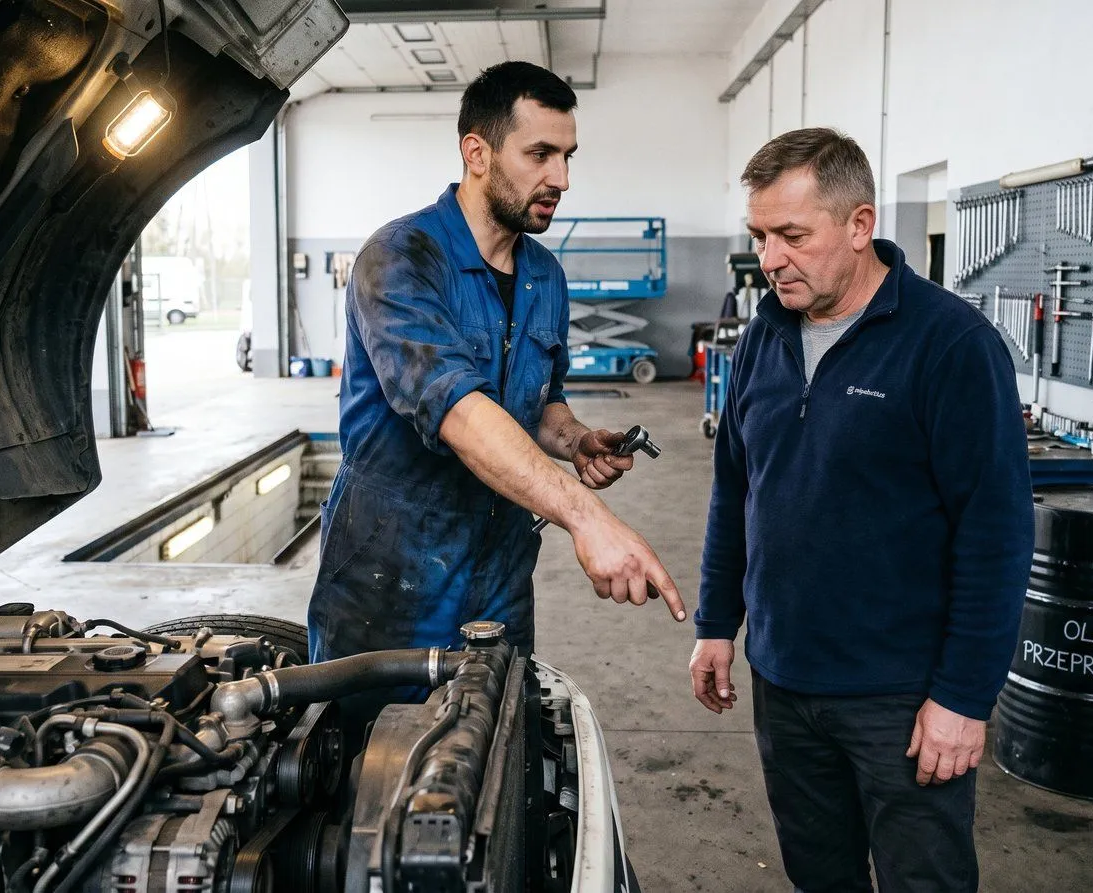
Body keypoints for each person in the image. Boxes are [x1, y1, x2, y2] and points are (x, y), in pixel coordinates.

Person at [689, 128, 1033, 892]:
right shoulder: (761, 341)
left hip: (901, 697)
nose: (769, 258)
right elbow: (736, 490)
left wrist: (963, 697)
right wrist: (717, 623)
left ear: (858, 224)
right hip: (783, 682)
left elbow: (997, 534)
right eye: (759, 236)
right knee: (821, 876)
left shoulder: (951, 346)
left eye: (790, 235)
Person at [308, 61, 686, 678]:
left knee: (489, 747)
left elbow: (539, 402)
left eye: (567, 157)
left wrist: (576, 440)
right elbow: (460, 411)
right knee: (368, 761)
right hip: (389, 577)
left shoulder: (545, 275)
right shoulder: (401, 258)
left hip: (500, 576)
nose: (560, 178)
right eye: (539, 153)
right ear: (476, 152)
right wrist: (587, 518)